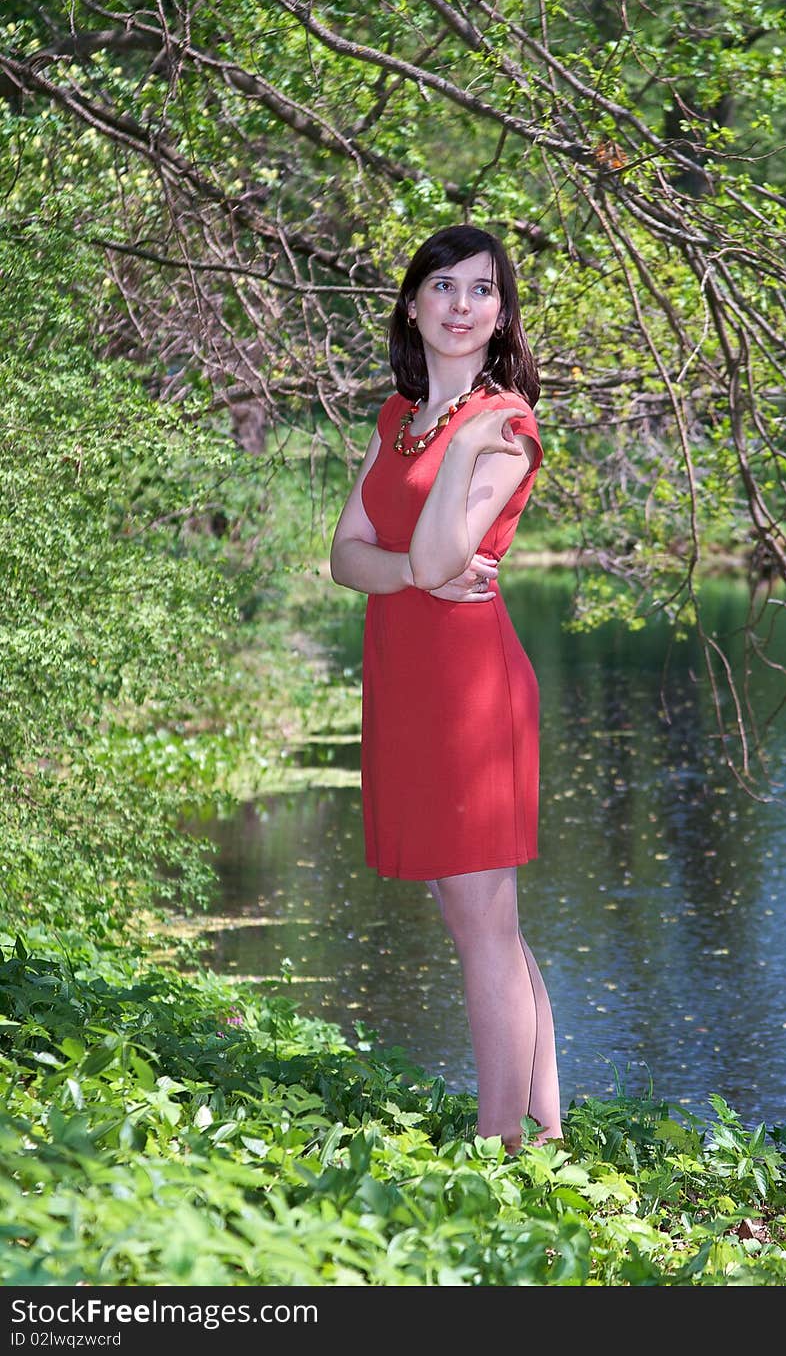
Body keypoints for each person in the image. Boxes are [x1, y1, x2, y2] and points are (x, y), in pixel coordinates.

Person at [329, 223, 562, 1153]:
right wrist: (410, 566)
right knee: (488, 926)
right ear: (414, 303)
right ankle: (544, 1138)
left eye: (482, 290)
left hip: (470, 689)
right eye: (443, 287)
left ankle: (503, 1150)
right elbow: (346, 560)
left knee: (484, 933)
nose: (462, 306)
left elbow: (437, 554)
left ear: (501, 313)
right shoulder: (397, 416)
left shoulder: (504, 424)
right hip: (406, 674)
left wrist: (462, 453)